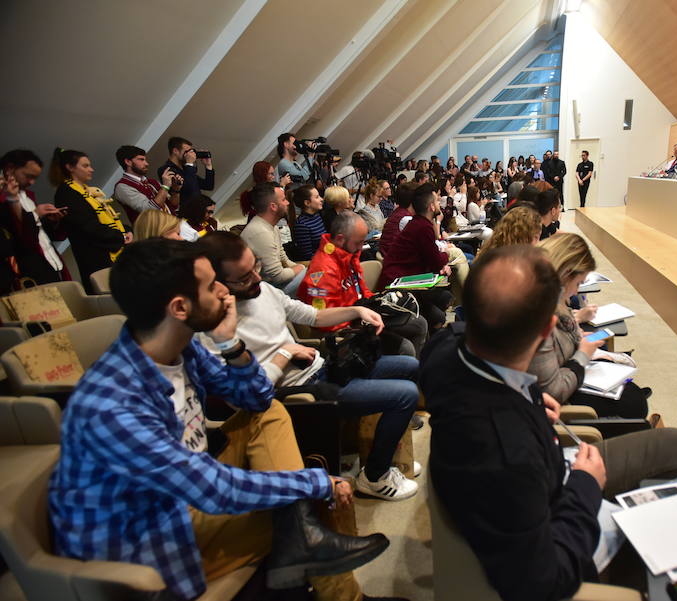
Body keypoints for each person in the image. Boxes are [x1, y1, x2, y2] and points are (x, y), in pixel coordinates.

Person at [49, 238, 390, 601]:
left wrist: (232, 346)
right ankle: (334, 579)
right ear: (180, 307)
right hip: (148, 538)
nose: (225, 292)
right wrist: (315, 482)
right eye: (212, 286)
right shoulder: (112, 404)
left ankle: (302, 536)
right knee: (313, 502)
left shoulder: (183, 346)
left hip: (185, 492)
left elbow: (256, 399)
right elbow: (211, 489)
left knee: (270, 414)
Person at [421, 244, 677, 601]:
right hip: (563, 505)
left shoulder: (443, 349)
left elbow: (479, 395)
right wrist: (586, 486)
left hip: (547, 470)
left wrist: (524, 399)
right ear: (547, 329)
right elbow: (545, 580)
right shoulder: (507, 455)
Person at [197, 232, 420, 502]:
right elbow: (246, 398)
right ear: (219, 283)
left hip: (324, 369)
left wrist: (356, 311)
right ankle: (375, 476)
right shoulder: (214, 332)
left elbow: (312, 314)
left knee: (409, 365)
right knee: (405, 394)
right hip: (303, 391)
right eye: (244, 277)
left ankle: (384, 454)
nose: (257, 278)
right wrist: (284, 354)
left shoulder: (263, 290)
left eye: (255, 266)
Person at [530, 233, 649, 418]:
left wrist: (580, 343)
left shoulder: (554, 303)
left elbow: (566, 336)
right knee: (634, 403)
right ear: (564, 275)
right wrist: (583, 354)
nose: (576, 291)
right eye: (578, 283)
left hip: (570, 371)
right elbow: (551, 392)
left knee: (632, 394)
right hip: (560, 397)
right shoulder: (538, 319)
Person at [299, 213, 429, 356]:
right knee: (405, 347)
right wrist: (362, 316)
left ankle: (413, 372)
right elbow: (323, 321)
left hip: (360, 316)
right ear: (341, 239)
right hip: (344, 330)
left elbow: (362, 291)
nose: (362, 247)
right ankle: (402, 372)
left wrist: (376, 305)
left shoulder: (349, 254)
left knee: (419, 323)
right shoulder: (321, 271)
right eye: (358, 242)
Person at [377, 183, 453, 331]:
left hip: (408, 278)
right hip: (397, 284)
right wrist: (446, 255)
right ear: (431, 206)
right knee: (441, 308)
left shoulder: (419, 224)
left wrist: (439, 260)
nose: (439, 204)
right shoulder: (423, 227)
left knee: (443, 299)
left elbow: (431, 259)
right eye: (437, 201)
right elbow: (436, 262)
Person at [51, 148, 130, 290]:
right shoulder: (66, 193)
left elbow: (109, 218)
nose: (91, 169)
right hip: (97, 257)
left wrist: (127, 231)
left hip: (112, 247)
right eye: (86, 166)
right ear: (70, 167)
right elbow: (88, 226)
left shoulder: (89, 191)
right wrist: (121, 236)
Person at [0, 149, 69, 285]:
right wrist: (35, 214)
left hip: (53, 263)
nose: (32, 182)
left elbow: (42, 235)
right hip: (29, 273)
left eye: (35, 178)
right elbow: (22, 240)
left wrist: (52, 221)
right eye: (28, 176)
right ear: (9, 170)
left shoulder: (29, 196)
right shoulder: (3, 201)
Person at [241, 182, 306, 296]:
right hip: (263, 292)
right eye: (284, 199)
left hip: (273, 286)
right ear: (273, 206)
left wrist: (300, 268)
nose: (288, 203)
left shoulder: (272, 227)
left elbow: (284, 260)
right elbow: (278, 276)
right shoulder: (260, 232)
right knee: (310, 276)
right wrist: (301, 268)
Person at [113, 145, 182, 222]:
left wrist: (176, 190)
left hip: (174, 226)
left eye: (145, 160)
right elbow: (149, 209)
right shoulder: (122, 186)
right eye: (141, 160)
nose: (146, 163)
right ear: (128, 162)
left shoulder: (152, 182)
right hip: (154, 233)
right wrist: (165, 186)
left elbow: (173, 206)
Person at [157, 136, 214, 200]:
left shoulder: (185, 168)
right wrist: (189, 164)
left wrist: (208, 165)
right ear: (175, 151)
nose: (190, 154)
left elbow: (208, 186)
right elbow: (188, 189)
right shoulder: (166, 169)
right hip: (184, 207)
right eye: (187, 151)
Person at [379, 181, 416, 260]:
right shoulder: (406, 219)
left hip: (393, 261)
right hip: (400, 267)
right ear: (414, 201)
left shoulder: (398, 212)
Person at [292, 184, 326, 262]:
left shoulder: (317, 215)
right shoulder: (301, 225)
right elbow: (307, 256)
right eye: (317, 197)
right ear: (307, 203)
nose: (321, 199)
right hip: (315, 263)